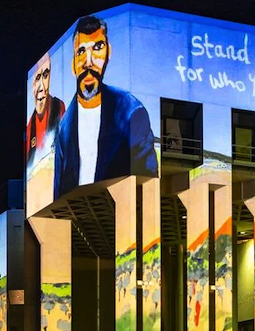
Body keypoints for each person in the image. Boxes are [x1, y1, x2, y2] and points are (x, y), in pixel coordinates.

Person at [53, 15, 158, 198]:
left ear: (108, 53)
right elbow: (58, 193)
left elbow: (149, 187)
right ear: (73, 65)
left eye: (98, 48)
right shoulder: (64, 128)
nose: (89, 61)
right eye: (81, 52)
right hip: (77, 218)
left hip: (121, 215)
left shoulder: (131, 113)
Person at [25, 53, 65, 167]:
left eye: (46, 75)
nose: (41, 87)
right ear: (32, 85)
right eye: (38, 78)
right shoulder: (29, 129)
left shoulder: (58, 107)